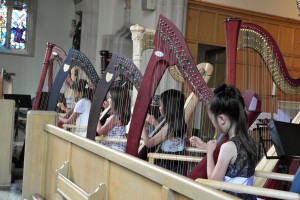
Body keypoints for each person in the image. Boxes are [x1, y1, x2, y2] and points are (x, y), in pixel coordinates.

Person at [204, 84, 257, 199]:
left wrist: (209, 152)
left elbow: (213, 183)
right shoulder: (250, 141)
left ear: (222, 119)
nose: (213, 124)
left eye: (212, 120)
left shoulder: (228, 147)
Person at [142, 89, 187, 175]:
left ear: (169, 107)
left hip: (166, 166)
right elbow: (163, 135)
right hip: (175, 165)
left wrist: (142, 127)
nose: (159, 108)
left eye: (161, 105)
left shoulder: (169, 127)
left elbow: (148, 143)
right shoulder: (178, 123)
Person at [96, 85, 131, 152]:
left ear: (116, 100)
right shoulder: (119, 115)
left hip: (114, 149)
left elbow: (100, 132)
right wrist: (106, 109)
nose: (108, 100)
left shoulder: (115, 117)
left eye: (110, 97)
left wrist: (96, 117)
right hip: (116, 147)